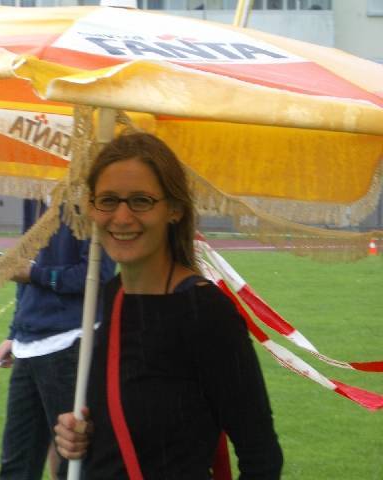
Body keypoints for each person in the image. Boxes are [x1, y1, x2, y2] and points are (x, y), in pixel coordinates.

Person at [54, 132, 283, 479]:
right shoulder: (108, 297)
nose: (122, 217)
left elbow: (261, 456)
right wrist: (76, 437)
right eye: (108, 200)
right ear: (91, 207)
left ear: (174, 209)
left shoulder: (205, 312)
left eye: (141, 201)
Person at [0, 199, 116, 480]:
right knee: (15, 465)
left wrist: (35, 275)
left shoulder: (87, 198)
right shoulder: (34, 198)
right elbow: (25, 265)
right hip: (28, 344)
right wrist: (14, 333)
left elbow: (97, 274)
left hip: (69, 342)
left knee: (72, 463)